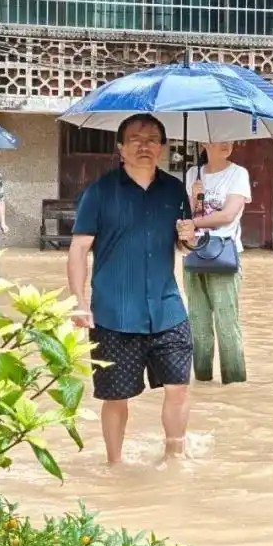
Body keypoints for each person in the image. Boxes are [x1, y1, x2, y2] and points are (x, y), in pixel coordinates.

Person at [67, 113, 198, 465]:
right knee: (116, 396)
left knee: (179, 387)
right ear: (121, 147)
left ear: (163, 148)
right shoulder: (99, 192)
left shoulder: (174, 190)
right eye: (136, 139)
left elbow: (184, 246)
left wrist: (190, 238)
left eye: (153, 139)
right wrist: (79, 302)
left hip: (167, 309)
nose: (145, 145)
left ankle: (175, 457)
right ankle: (114, 464)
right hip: (114, 313)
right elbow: (79, 249)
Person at [184, 142, 252, 385]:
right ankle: (202, 382)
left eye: (231, 139)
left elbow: (227, 215)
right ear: (204, 142)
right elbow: (190, 215)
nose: (226, 144)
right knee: (198, 324)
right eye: (220, 138)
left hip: (224, 255)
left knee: (226, 322)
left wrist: (195, 224)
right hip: (194, 253)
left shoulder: (238, 174)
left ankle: (233, 384)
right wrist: (195, 197)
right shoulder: (193, 173)